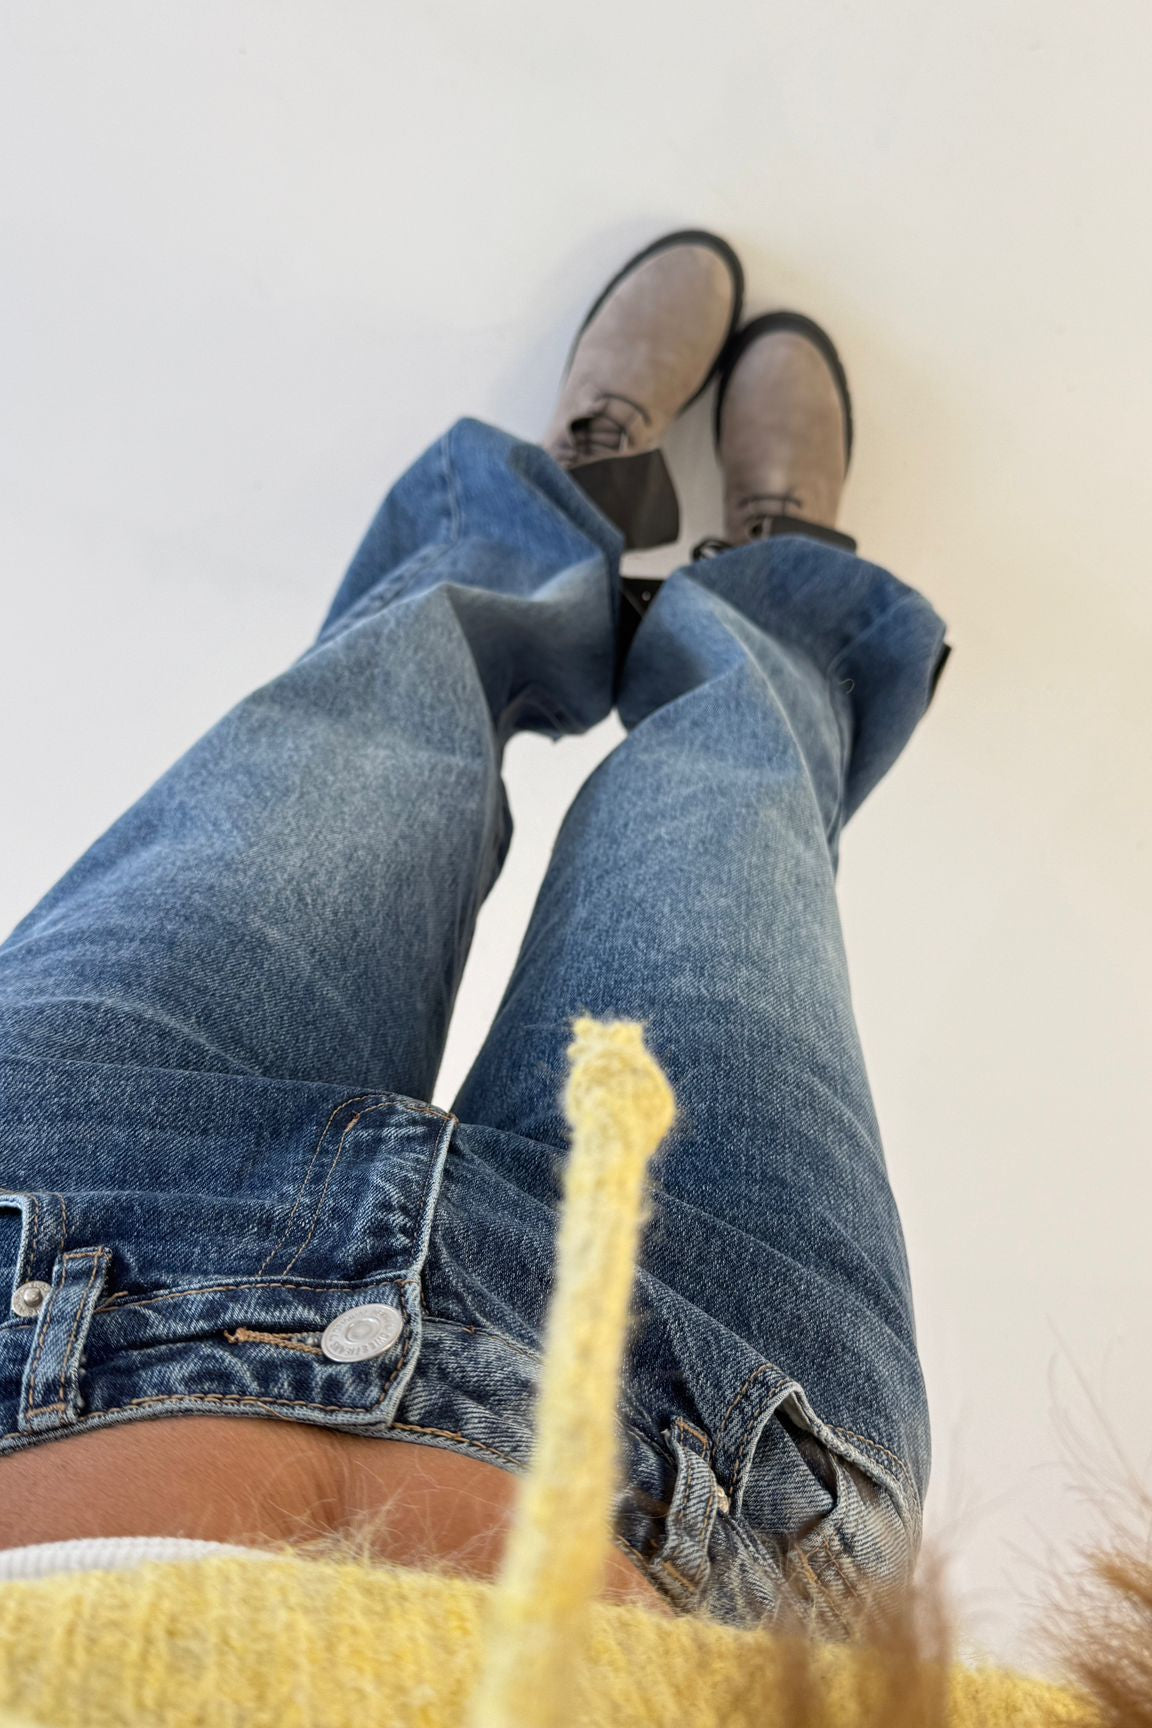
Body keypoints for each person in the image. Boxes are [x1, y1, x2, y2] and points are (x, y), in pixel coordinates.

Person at [2, 231, 1115, 1726]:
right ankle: (775, 592)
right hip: (731, 1452)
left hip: (52, 1228)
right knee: (732, 802)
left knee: (377, 714)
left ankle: (558, 507)